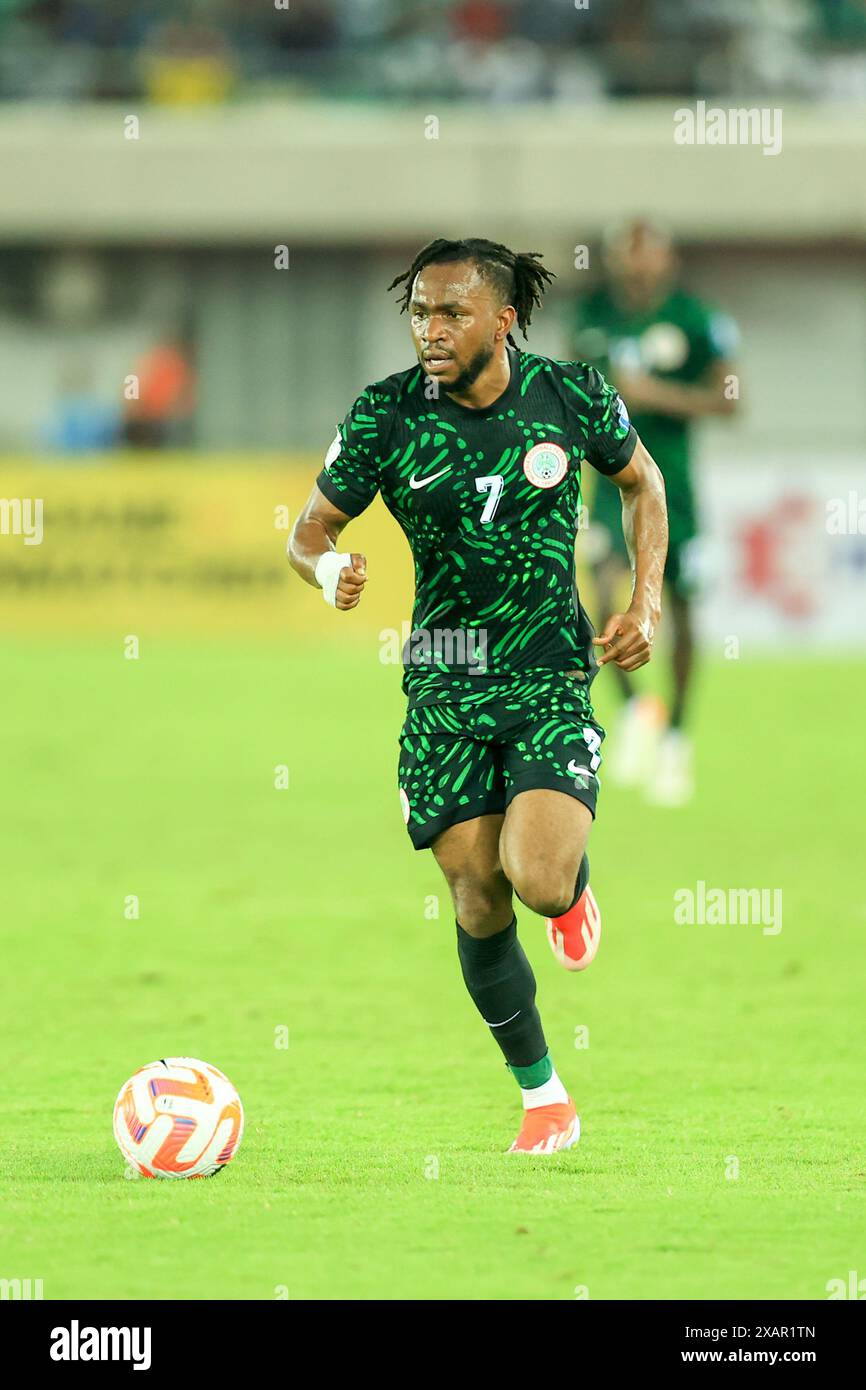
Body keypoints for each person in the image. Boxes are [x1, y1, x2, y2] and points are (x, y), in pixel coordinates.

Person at [289, 238, 667, 1154]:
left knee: (534, 881)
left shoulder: (572, 396)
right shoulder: (384, 414)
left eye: (451, 312)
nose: (430, 330)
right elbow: (308, 532)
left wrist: (643, 602)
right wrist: (330, 565)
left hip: (544, 669)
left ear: (504, 318)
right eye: (419, 312)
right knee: (475, 893)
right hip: (443, 678)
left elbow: (641, 484)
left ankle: (572, 889)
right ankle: (546, 1098)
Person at [573, 218, 740, 804]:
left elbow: (731, 400)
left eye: (649, 255)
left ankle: (676, 737)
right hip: (607, 488)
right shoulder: (593, 316)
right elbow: (569, 396)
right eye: (628, 254)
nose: (638, 265)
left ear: (667, 260)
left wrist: (655, 396)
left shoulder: (695, 319)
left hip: (674, 491)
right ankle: (641, 709)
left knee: (684, 607)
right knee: (602, 603)